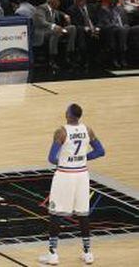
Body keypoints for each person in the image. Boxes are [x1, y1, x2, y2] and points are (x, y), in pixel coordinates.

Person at [39, 104, 105, 265]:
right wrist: (82, 158)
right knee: (83, 213)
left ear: (68, 114)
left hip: (65, 175)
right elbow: (100, 151)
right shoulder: (87, 130)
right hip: (82, 175)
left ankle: (53, 254)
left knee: (56, 213)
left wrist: (65, 161)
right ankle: (88, 253)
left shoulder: (61, 132)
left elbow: (52, 158)